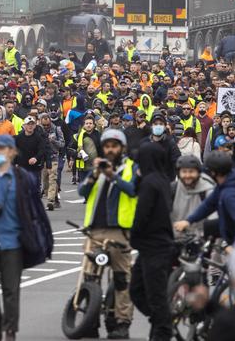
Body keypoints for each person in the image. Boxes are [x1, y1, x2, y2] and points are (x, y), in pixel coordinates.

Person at [0, 134, 53, 341]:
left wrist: (44, 239)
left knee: (11, 290)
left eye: (1, 148)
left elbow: (37, 211)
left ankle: (10, 330)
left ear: (12, 152)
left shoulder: (24, 178)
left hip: (14, 242)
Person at [77, 129, 137, 339]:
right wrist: (94, 175)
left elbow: (132, 190)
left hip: (120, 231)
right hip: (95, 231)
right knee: (90, 277)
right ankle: (89, 321)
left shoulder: (131, 167)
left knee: (122, 279)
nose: (110, 150)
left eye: (114, 146)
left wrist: (113, 176)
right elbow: (82, 192)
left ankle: (122, 323)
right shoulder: (97, 168)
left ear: (122, 148)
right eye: (107, 146)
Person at [129, 142, 173, 341]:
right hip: (157, 245)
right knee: (138, 290)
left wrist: (132, 235)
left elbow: (142, 214)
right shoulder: (162, 179)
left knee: (154, 296)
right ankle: (160, 322)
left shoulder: (150, 183)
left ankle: (163, 328)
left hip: (153, 245)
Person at [174, 151, 235, 248]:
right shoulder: (225, 184)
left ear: (214, 172)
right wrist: (188, 221)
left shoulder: (230, 194)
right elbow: (208, 205)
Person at [170, 155, 216, 233]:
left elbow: (214, 217)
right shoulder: (173, 189)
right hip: (176, 237)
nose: (187, 175)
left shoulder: (208, 189)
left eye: (191, 171)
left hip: (201, 238)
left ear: (198, 172)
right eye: (184, 172)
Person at [14, 116, 46, 194]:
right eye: (28, 124)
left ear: (35, 126)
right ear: (24, 126)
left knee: (34, 189)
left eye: (32, 124)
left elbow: (42, 150)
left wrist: (36, 158)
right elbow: (14, 151)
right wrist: (14, 163)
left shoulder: (38, 137)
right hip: (22, 168)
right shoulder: (18, 138)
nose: (30, 126)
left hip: (34, 168)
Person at [70, 115, 102, 183]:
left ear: (94, 125)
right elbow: (70, 149)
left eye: (90, 123)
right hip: (83, 169)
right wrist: (76, 154)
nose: (88, 125)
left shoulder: (98, 135)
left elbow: (101, 149)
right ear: (84, 125)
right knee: (84, 189)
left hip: (95, 167)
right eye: (86, 123)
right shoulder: (78, 136)